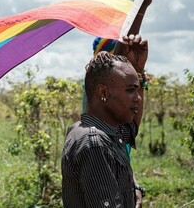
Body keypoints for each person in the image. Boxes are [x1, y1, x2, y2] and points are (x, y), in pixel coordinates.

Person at [62, 33, 150, 207]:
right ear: (103, 92)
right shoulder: (95, 143)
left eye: (138, 89)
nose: (138, 98)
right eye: (130, 90)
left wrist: (138, 70)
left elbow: (132, 127)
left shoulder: (104, 131)